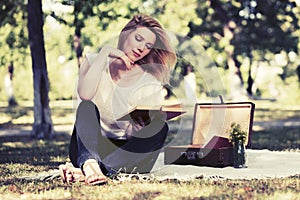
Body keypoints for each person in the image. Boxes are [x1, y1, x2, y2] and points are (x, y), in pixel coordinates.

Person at [59, 14, 177, 185]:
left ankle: (92, 170)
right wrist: (106, 52)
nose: (142, 48)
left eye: (148, 45)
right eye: (138, 38)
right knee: (86, 107)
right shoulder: (93, 61)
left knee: (160, 127)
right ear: (126, 34)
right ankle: (91, 163)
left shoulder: (150, 81)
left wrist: (137, 129)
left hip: (123, 150)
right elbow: (85, 94)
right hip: (89, 145)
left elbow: (131, 135)